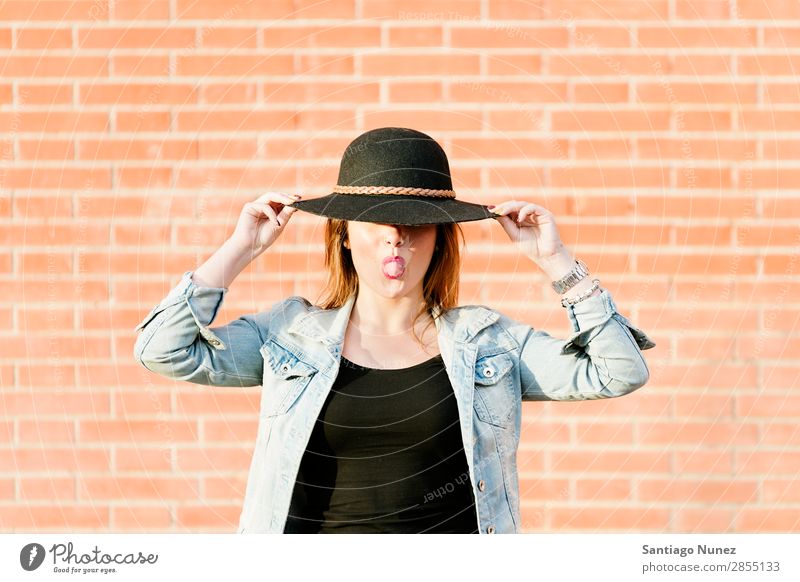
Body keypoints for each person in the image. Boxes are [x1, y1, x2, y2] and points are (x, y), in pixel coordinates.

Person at [133, 127, 656, 534]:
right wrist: (239, 251)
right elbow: (163, 350)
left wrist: (556, 262)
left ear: (439, 240)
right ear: (343, 236)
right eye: (375, 220)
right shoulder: (289, 336)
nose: (395, 238)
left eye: (415, 222)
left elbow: (618, 372)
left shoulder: (489, 343)